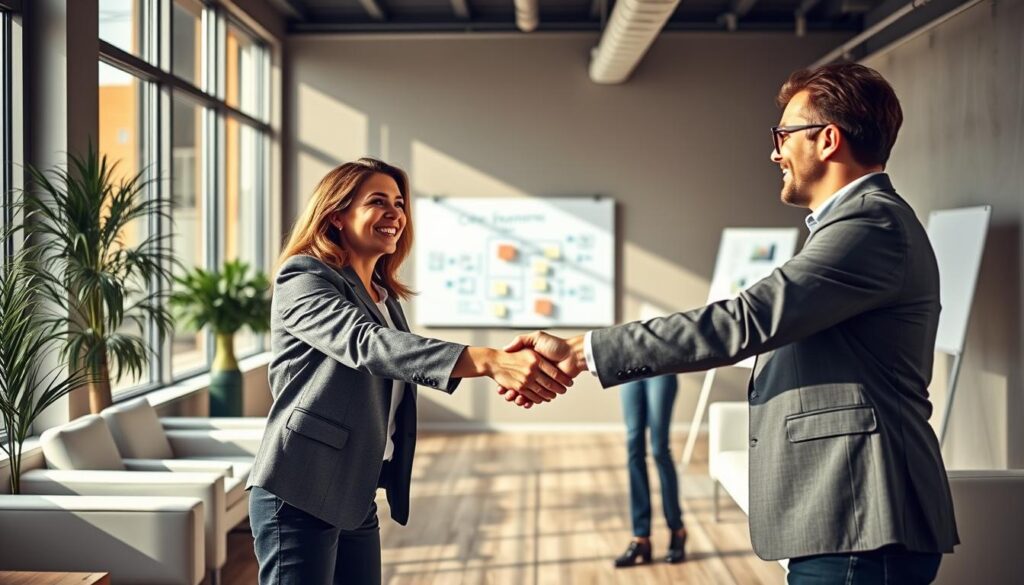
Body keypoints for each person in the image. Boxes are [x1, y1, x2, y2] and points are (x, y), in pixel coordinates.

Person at [499, 63, 958, 584]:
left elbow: (747, 320)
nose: (774, 151)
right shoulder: (861, 223)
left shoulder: (869, 224)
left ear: (828, 140)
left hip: (862, 517)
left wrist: (582, 352)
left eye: (783, 135)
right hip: (852, 517)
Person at [247, 158, 572, 585]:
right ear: (337, 215)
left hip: (354, 486)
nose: (395, 214)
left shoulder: (384, 296)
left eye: (399, 203)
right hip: (300, 486)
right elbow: (366, 344)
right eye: (377, 201)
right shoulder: (303, 277)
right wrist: (490, 361)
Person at [613, 373, 687, 567]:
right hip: (629, 371)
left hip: (661, 370)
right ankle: (640, 537)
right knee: (634, 447)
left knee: (659, 449)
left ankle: (677, 529)